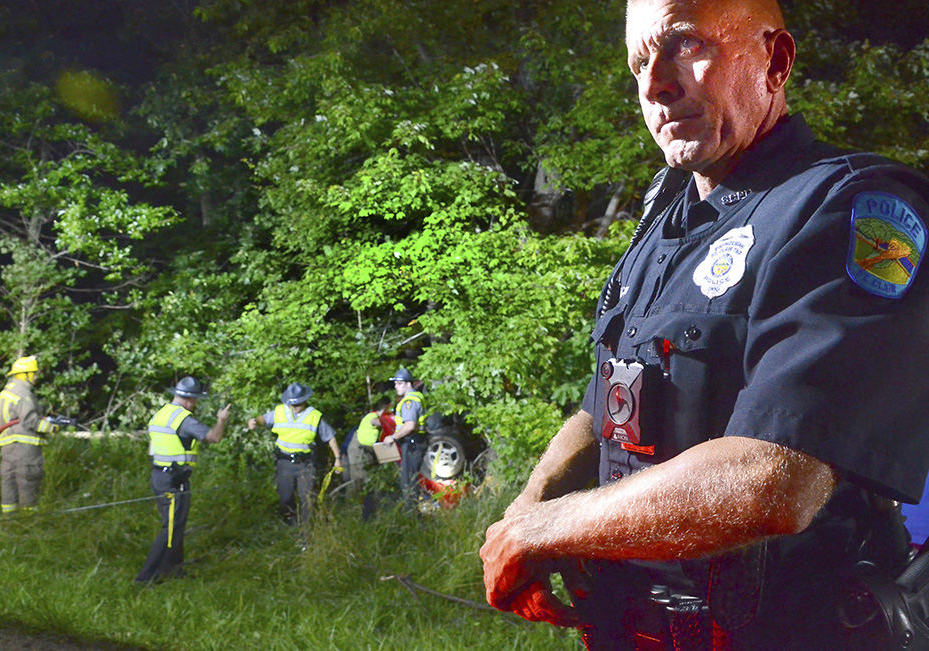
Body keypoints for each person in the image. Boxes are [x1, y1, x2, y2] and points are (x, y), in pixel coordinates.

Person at [479, 0, 929, 647]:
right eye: (639, 61)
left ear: (775, 61)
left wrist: (542, 529)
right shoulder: (664, 222)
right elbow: (603, 401)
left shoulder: (850, 207)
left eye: (684, 44)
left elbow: (775, 480)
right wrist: (532, 501)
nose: (653, 82)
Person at [135, 376, 230, 583]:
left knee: (176, 525)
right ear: (189, 400)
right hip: (171, 480)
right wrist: (221, 420)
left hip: (162, 475)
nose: (195, 405)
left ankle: (174, 569)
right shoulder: (184, 419)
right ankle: (145, 578)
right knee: (170, 528)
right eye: (195, 400)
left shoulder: (161, 413)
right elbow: (213, 437)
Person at [247, 382, 342, 526]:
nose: (295, 407)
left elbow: (330, 437)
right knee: (285, 498)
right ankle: (291, 527)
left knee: (307, 499)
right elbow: (263, 419)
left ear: (304, 400)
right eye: (292, 404)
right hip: (284, 463)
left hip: (306, 464)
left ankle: (307, 533)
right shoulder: (280, 412)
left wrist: (338, 458)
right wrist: (254, 421)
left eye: (298, 404)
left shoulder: (314, 416)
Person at [0, 355, 60, 513]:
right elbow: (30, 421)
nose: (36, 377)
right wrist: (51, 427)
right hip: (25, 447)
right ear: (25, 374)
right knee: (28, 480)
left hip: (7, 447)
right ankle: (29, 518)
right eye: (34, 373)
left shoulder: (6, 392)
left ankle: (8, 518)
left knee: (9, 481)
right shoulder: (23, 393)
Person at [381, 368, 427, 504]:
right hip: (415, 442)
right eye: (395, 383)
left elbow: (410, 425)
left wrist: (393, 437)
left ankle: (412, 514)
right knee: (411, 479)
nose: (396, 386)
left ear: (409, 384)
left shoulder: (409, 402)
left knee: (409, 482)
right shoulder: (415, 397)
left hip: (412, 444)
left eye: (399, 383)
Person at [343, 396, 392, 492]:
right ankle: (356, 501)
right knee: (360, 478)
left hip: (365, 450)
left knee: (366, 477)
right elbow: (378, 422)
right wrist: (392, 421)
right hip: (359, 450)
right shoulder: (372, 416)